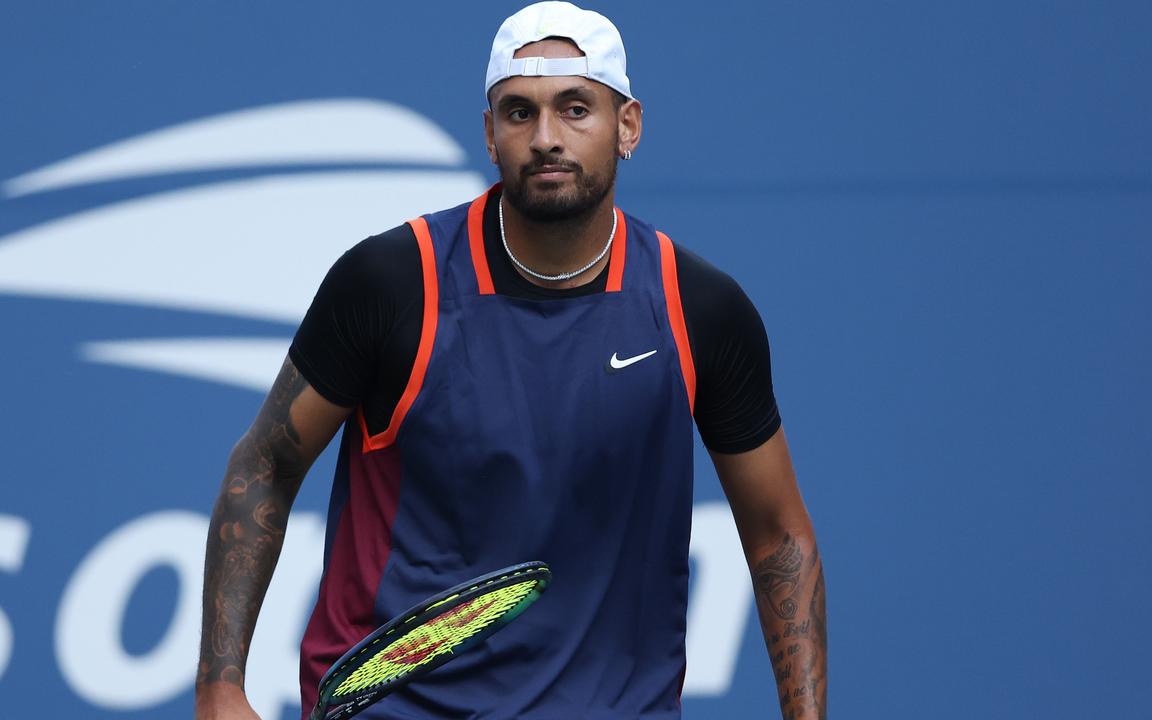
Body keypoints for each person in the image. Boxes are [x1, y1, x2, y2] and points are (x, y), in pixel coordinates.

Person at [195, 2, 826, 718]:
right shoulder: (392, 284)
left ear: (628, 127)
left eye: (575, 108)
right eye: (519, 112)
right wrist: (220, 687)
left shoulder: (698, 308)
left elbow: (778, 531)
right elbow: (264, 465)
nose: (547, 137)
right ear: (490, 134)